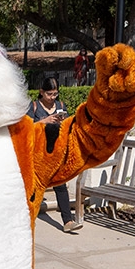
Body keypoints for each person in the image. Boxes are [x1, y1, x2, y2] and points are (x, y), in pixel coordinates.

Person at [28, 77, 79, 232]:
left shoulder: (60, 106)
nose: (52, 97)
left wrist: (63, 123)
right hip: (38, 154)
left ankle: (68, 221)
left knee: (60, 185)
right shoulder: (34, 107)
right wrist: (45, 121)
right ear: (41, 92)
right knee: (33, 189)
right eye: (49, 94)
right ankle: (28, 221)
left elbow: (69, 127)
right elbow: (27, 128)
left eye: (55, 94)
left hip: (56, 153)